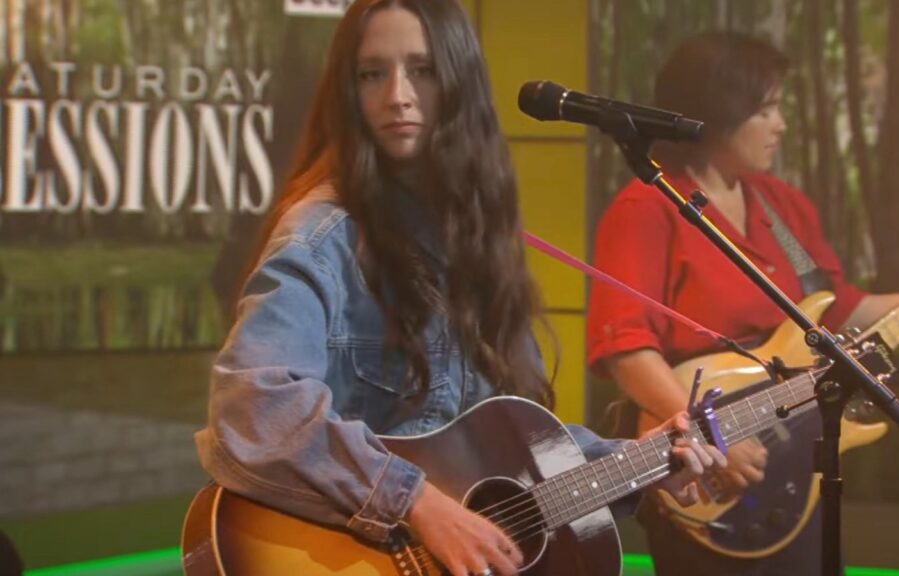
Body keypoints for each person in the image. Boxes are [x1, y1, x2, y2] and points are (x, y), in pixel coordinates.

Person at [193, 2, 725, 576]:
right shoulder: (324, 235)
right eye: (373, 73)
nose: (397, 94)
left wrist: (646, 463)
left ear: (459, 84)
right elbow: (253, 403)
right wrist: (417, 503)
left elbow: (512, 444)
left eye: (421, 70)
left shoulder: (477, 243)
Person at [586, 31, 899, 576]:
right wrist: (709, 433)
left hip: (792, 456)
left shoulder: (780, 207)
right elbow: (627, 349)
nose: (780, 124)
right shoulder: (646, 208)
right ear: (718, 111)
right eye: (766, 108)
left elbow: (835, 311)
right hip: (701, 464)